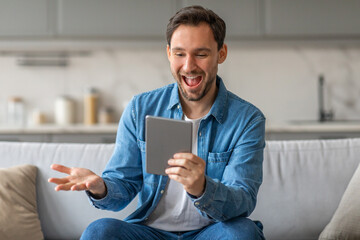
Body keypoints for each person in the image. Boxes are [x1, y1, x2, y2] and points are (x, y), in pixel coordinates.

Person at [48, 5, 266, 240]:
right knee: (99, 232)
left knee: (243, 233)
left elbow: (243, 201)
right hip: (151, 232)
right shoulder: (140, 108)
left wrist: (201, 188)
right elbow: (123, 184)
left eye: (201, 54)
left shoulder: (247, 119)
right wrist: (100, 187)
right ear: (169, 53)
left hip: (211, 233)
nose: (189, 66)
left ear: (221, 53)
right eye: (180, 53)